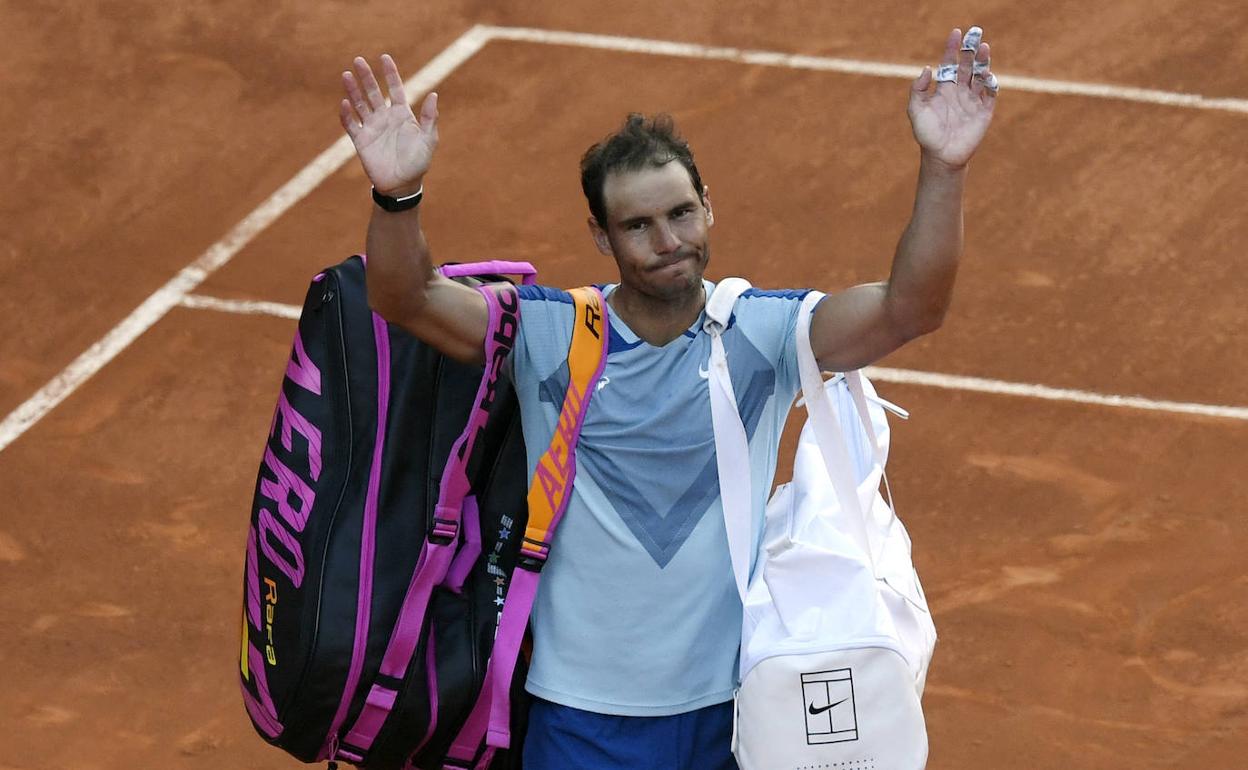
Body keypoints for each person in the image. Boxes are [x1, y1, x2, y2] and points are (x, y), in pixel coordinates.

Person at [338, 26, 997, 770]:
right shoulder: (548, 333)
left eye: (681, 214)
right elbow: (405, 295)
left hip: (733, 715)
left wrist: (944, 168)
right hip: (581, 720)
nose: (667, 240)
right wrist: (397, 195)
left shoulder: (763, 332)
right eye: (638, 226)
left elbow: (913, 307)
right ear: (601, 236)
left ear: (708, 208)